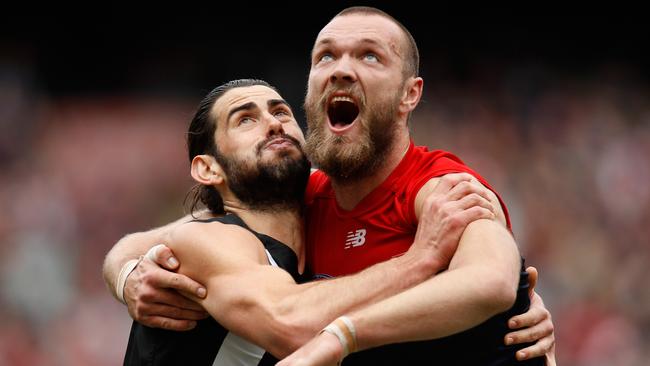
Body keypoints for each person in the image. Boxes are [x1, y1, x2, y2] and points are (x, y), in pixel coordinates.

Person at [103, 6, 555, 365]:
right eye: (326, 56)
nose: (341, 69)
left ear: (409, 94)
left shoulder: (440, 189)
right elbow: (148, 241)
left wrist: (341, 336)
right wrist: (128, 276)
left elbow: (494, 282)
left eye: (369, 55)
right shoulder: (304, 201)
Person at [124, 78, 500, 365]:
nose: (272, 124)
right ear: (208, 168)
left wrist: (502, 323)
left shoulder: (320, 230)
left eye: (281, 112)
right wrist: (423, 258)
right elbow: (290, 323)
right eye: (246, 120)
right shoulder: (211, 240)